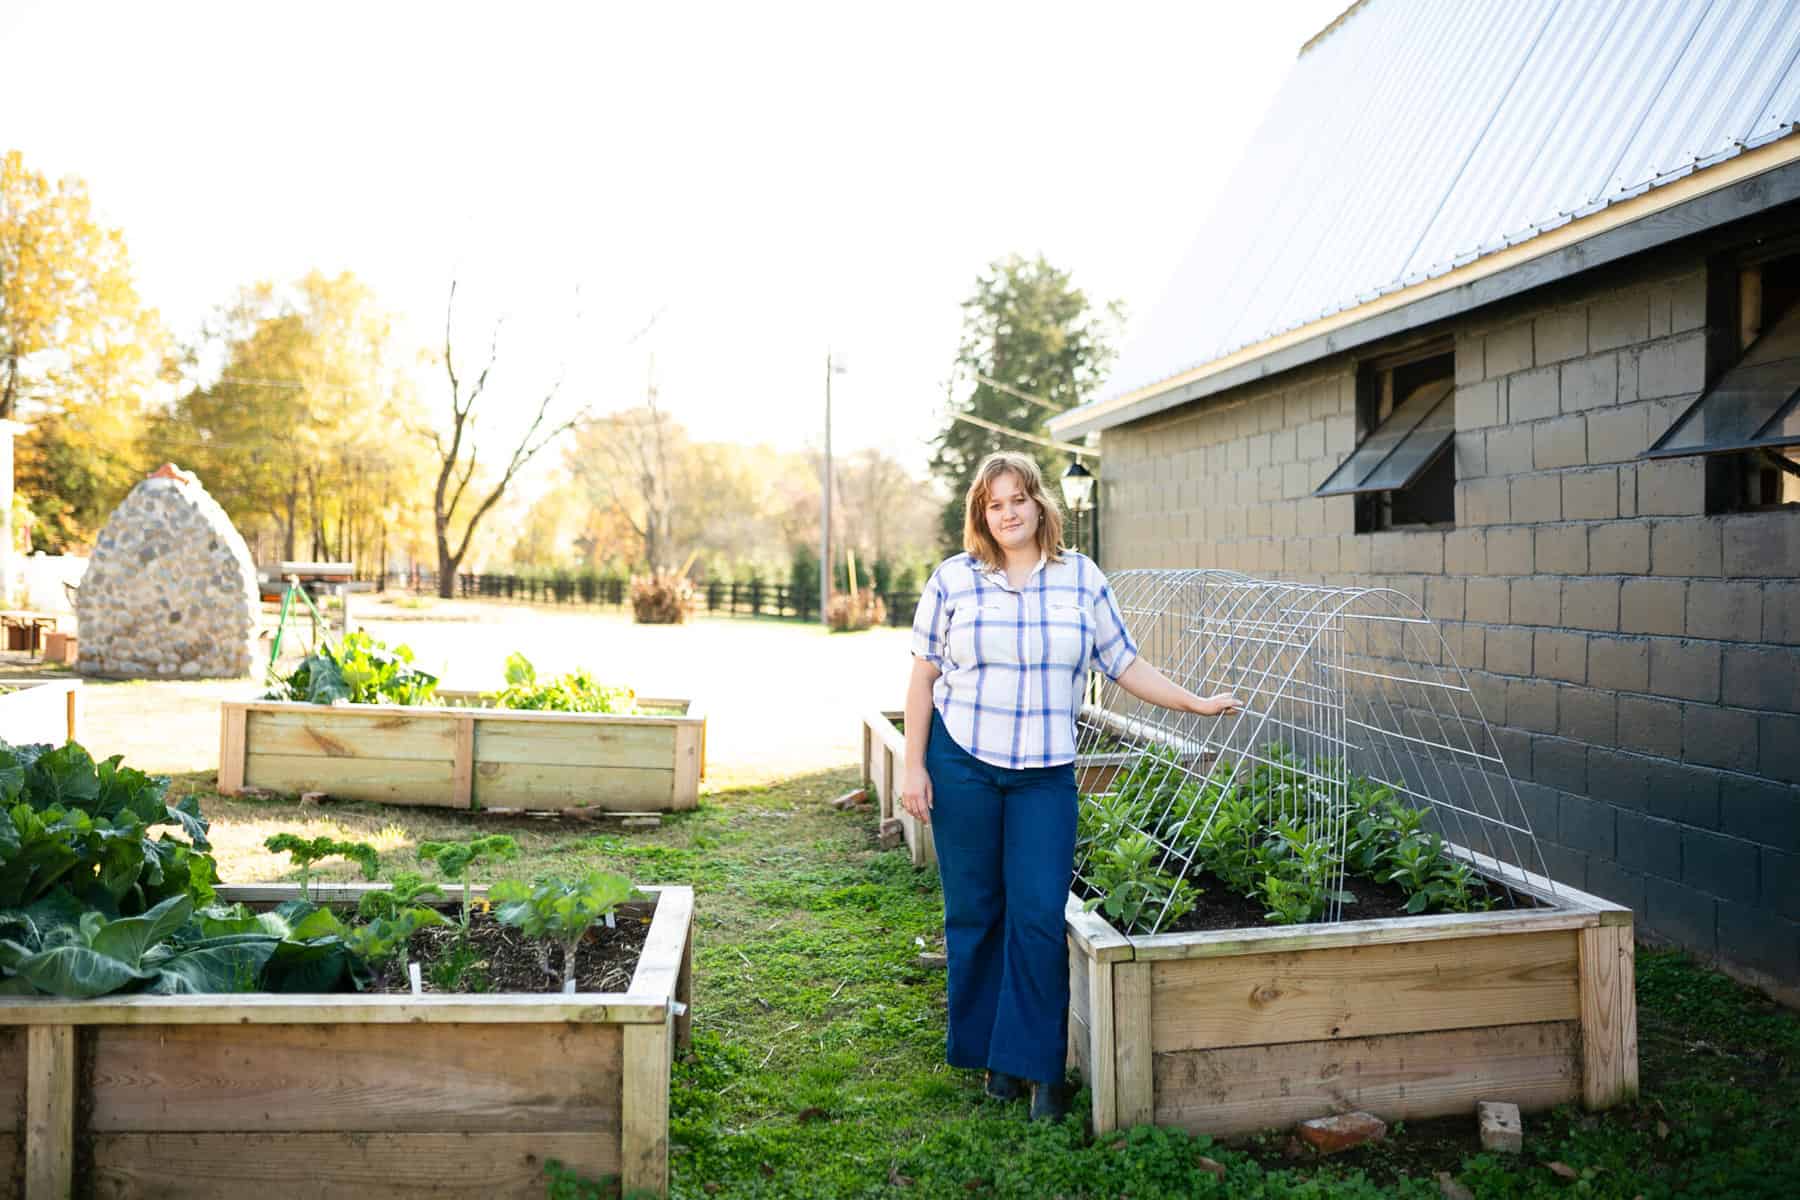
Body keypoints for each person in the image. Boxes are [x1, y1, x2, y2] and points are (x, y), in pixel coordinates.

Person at [902, 450, 1242, 1119]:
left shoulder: (1081, 579)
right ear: (982, 515)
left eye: (1018, 499)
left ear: (1039, 504)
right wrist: (913, 765)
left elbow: (1124, 663)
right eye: (994, 504)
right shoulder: (954, 582)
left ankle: (1040, 1070)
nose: (1008, 513)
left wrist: (1194, 703)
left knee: (1035, 914)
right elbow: (923, 678)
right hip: (963, 763)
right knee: (975, 913)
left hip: (1045, 775)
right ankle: (990, 1055)